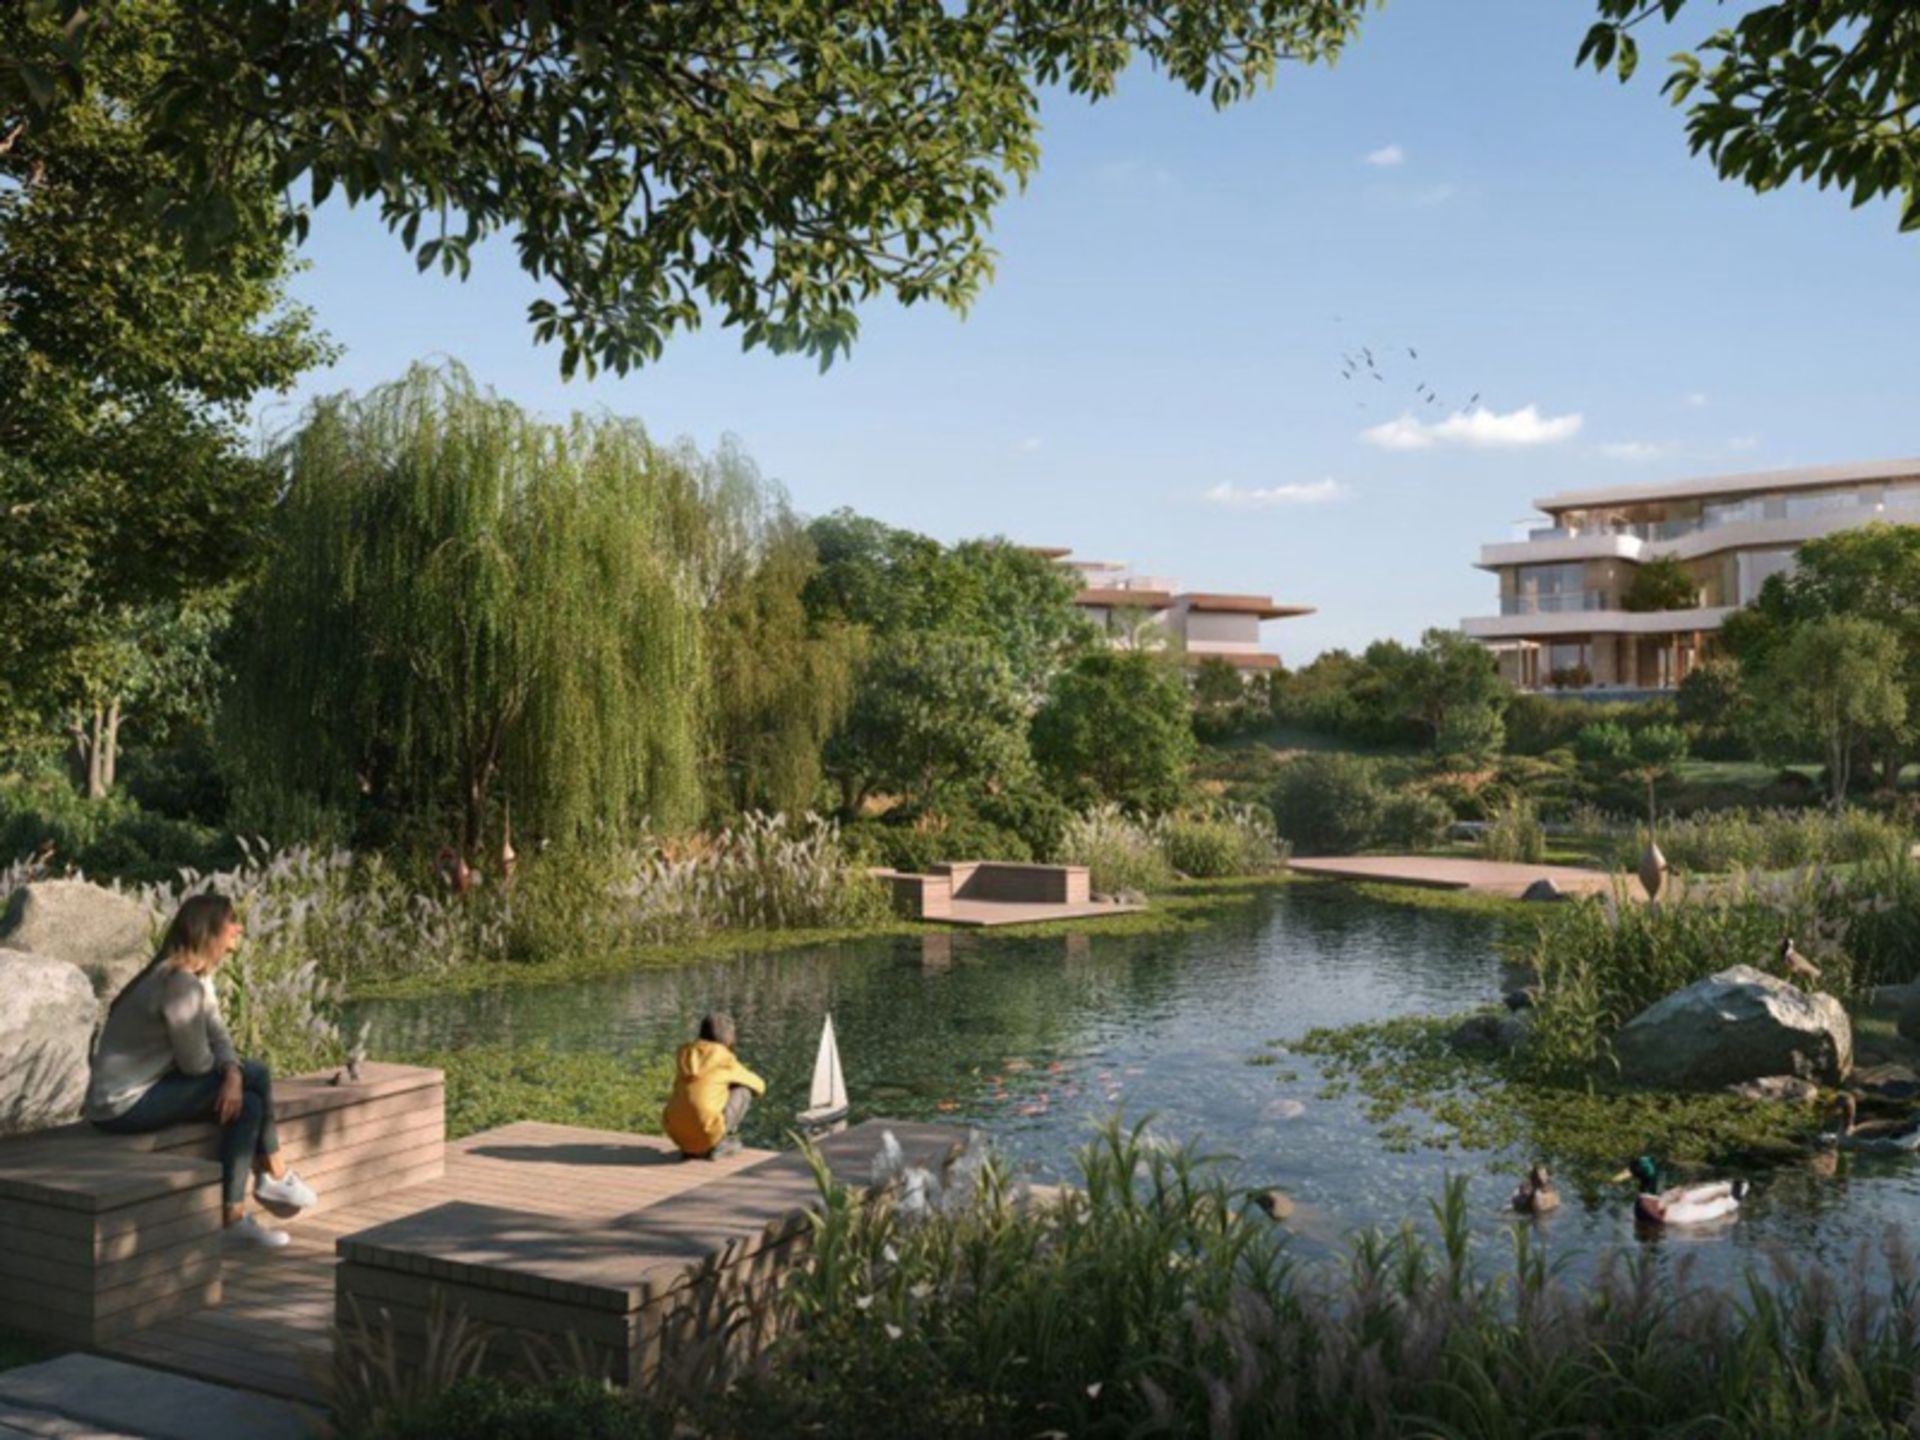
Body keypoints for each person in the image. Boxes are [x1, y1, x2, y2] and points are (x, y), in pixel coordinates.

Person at [84, 894, 319, 1247]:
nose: (239, 928)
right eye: (231, 921)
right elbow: (195, 1064)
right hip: (121, 1105)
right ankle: (276, 1173)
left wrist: (231, 1070)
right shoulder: (178, 983)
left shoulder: (196, 977)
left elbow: (218, 1035)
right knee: (256, 1073)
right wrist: (234, 1075)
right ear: (208, 930)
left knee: (250, 1105)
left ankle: (233, 1219)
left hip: (151, 1087)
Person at [662, 1012, 765, 1160]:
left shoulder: (686, 1054)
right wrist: (732, 1084)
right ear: (729, 1038)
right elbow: (759, 1086)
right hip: (706, 1132)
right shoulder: (724, 1058)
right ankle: (717, 1144)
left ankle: (691, 1148)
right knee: (744, 1091)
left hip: (675, 1133)